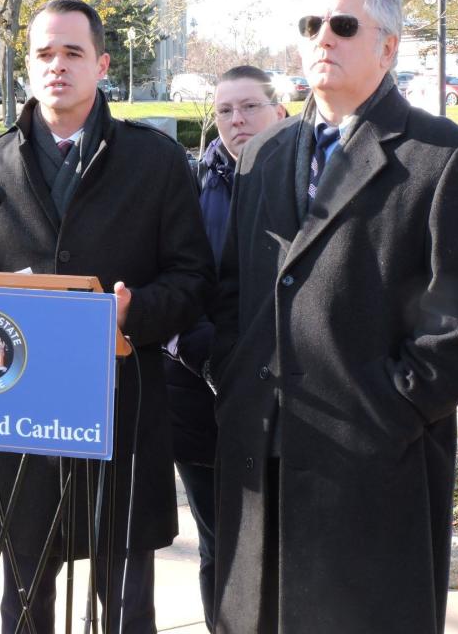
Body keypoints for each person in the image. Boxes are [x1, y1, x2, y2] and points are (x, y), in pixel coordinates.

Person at [210, 0, 458, 634]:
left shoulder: (445, 158)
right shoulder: (262, 154)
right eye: (310, 25)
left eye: (343, 25)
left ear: (388, 46)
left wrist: (392, 410)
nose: (323, 38)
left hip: (371, 466)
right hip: (262, 456)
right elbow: (234, 294)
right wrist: (231, 380)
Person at [0, 0, 213, 634]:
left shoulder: (156, 162)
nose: (57, 66)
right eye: (44, 53)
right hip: (20, 413)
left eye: (73, 52)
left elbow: (193, 278)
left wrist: (134, 313)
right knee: (25, 598)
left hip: (122, 405)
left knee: (125, 603)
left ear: (101, 64)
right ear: (26, 67)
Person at [165, 66, 285, 631]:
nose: (238, 121)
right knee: (220, 548)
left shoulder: (310, 179)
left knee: (288, 551)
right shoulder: (189, 185)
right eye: (226, 111)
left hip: (292, 403)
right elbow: (172, 281)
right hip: (201, 398)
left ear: (279, 110)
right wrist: (209, 355)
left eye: (250, 107)